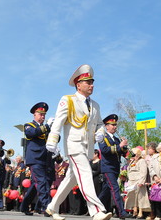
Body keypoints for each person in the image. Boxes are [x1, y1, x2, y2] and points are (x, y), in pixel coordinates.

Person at [45, 64, 112, 220]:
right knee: (86, 173)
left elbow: (100, 124)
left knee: (71, 179)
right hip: (74, 145)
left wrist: (100, 133)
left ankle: (52, 207)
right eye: (88, 82)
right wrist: (52, 139)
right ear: (78, 84)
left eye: (92, 82)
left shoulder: (95, 105)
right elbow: (58, 121)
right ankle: (96, 211)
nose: (91, 85)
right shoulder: (68, 100)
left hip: (88, 148)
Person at [20, 102, 55, 216]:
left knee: (37, 185)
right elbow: (31, 133)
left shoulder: (46, 127)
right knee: (41, 182)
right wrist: (47, 127)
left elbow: (56, 138)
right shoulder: (29, 125)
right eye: (40, 114)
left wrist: (54, 129)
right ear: (34, 114)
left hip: (45, 158)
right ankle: (47, 207)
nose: (43, 116)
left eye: (44, 114)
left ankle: (24, 206)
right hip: (35, 158)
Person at [98, 114, 132, 219]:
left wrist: (125, 146)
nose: (115, 127)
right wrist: (119, 146)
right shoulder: (102, 137)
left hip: (115, 167)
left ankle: (95, 207)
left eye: (115, 125)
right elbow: (105, 150)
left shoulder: (117, 139)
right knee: (115, 189)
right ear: (106, 126)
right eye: (112, 125)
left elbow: (121, 153)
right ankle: (121, 212)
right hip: (108, 167)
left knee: (106, 191)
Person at [125, 147, 151, 219]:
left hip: (138, 181)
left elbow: (144, 172)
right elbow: (128, 171)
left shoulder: (142, 161)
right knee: (132, 197)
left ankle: (141, 212)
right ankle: (134, 210)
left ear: (138, 154)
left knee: (140, 197)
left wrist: (142, 181)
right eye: (132, 154)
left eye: (134, 154)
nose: (133, 156)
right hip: (131, 181)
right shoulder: (132, 162)